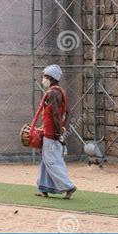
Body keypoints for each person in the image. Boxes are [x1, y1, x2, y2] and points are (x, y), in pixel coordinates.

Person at [36, 64, 77, 199]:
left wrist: (59, 134)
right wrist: (64, 128)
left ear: (51, 78)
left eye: (45, 77)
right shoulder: (61, 92)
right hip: (53, 132)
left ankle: (68, 186)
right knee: (46, 160)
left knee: (51, 162)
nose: (43, 79)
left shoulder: (52, 93)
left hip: (51, 133)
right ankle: (43, 188)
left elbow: (55, 115)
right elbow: (68, 112)